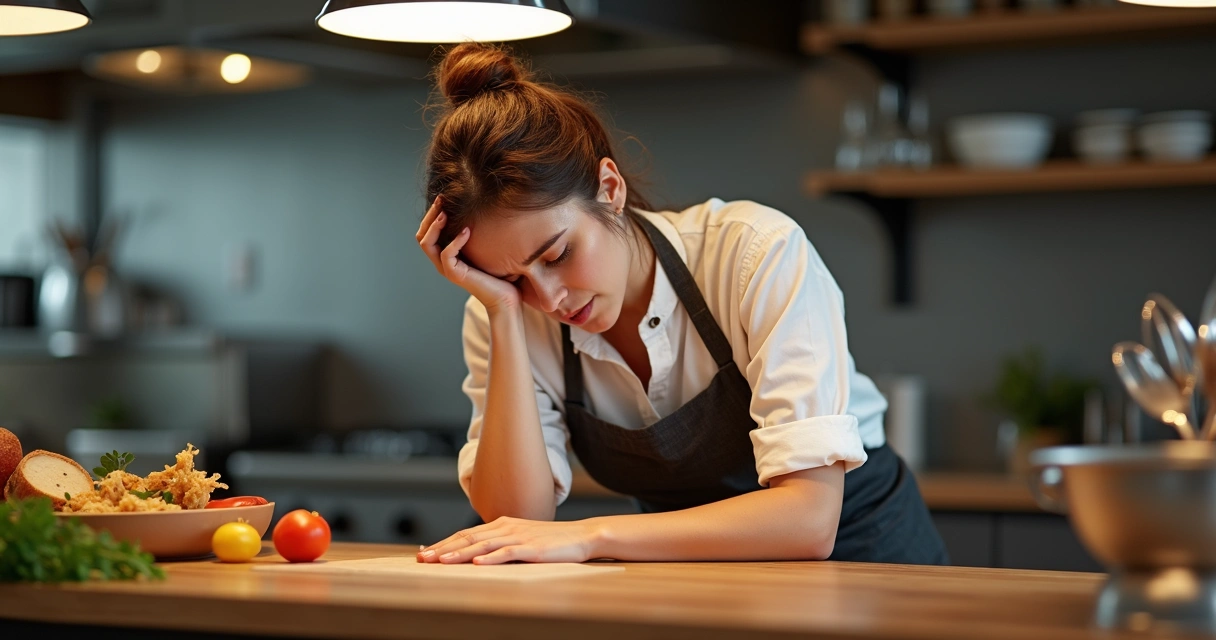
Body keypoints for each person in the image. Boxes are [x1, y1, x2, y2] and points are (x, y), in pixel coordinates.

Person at [414, 43, 948, 566]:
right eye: (511, 277)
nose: (547, 298)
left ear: (609, 189)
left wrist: (594, 534)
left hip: (868, 560)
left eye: (557, 254)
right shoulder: (508, 310)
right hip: (689, 577)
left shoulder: (754, 253)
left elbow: (809, 519)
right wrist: (504, 316)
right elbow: (517, 518)